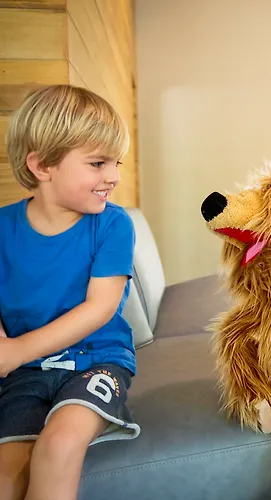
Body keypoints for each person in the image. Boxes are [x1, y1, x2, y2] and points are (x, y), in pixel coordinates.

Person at [0, 85, 139, 500]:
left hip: (97, 362)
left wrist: (16, 350)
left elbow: (100, 308)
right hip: (26, 375)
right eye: (98, 163)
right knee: (6, 475)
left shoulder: (114, 225)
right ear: (42, 165)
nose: (113, 176)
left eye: (115, 163)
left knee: (59, 445)